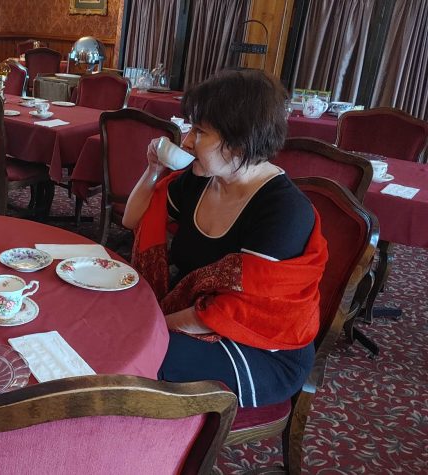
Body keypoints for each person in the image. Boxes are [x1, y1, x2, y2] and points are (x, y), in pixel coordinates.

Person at [123, 69, 328, 408]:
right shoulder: (203, 179)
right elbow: (133, 219)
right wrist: (153, 170)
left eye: (199, 131)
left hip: (261, 348)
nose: (186, 141)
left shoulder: (283, 211)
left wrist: (153, 323)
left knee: (141, 350)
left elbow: (231, 313)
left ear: (239, 141)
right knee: (123, 328)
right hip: (195, 318)